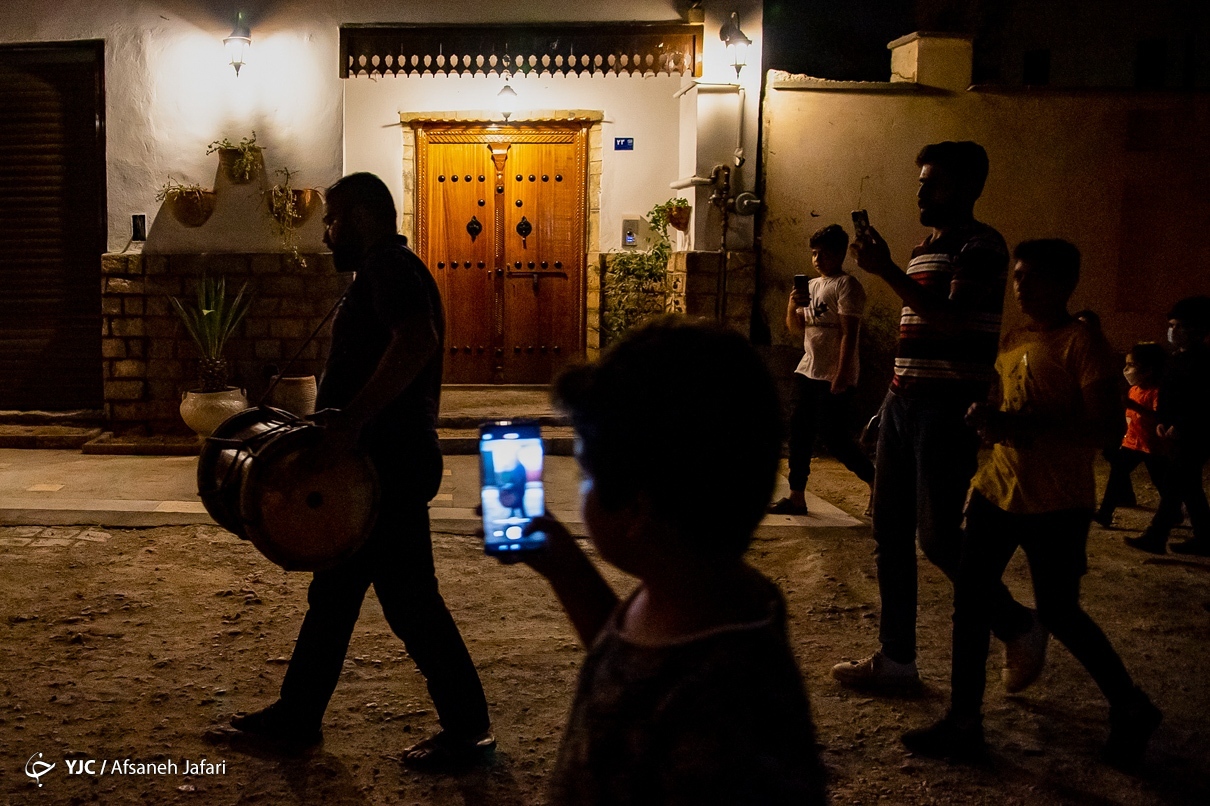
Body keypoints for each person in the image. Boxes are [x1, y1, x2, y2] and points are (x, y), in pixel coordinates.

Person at [226, 173, 494, 769]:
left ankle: (469, 732)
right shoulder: (386, 271)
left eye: (333, 220)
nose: (325, 235)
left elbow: (416, 340)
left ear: (365, 218)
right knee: (339, 595)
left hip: (386, 467)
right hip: (377, 467)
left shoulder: (387, 271)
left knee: (409, 604)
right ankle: (298, 717)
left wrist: (353, 419)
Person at [504, 317, 827, 804]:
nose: (581, 489)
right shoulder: (701, 588)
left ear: (636, 508)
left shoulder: (712, 712)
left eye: (587, 476)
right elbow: (632, 664)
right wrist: (566, 568)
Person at [902, 240, 1163, 768]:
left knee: (1061, 611)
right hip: (998, 490)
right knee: (971, 606)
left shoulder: (1083, 344)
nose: (1020, 286)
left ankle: (1131, 705)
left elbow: (1107, 428)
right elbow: (1007, 404)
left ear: (1064, 283)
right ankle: (964, 720)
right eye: (1017, 276)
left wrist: (1019, 426)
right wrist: (988, 415)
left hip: (1057, 503)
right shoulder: (1014, 338)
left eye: (1032, 277)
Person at [832, 141, 1042, 691]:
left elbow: (950, 322)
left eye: (934, 183)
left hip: (947, 409)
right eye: (921, 181)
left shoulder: (982, 245)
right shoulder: (926, 247)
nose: (922, 191)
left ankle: (1018, 624)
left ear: (969, 188)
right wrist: (888, 403)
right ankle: (897, 658)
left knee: (939, 537)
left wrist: (887, 272)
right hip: (906, 403)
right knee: (888, 532)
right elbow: (916, 335)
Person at [769, 224, 875, 516]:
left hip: (833, 373)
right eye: (814, 254)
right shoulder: (812, 286)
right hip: (807, 369)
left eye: (824, 254)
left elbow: (849, 333)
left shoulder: (847, 286)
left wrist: (841, 373)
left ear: (840, 253)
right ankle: (796, 496)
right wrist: (792, 305)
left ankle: (874, 479)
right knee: (799, 431)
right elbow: (796, 329)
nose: (817, 259)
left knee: (835, 437)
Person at [1132, 295, 1210, 555]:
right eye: (1172, 324)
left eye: (1180, 326)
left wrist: (1183, 425)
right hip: (1173, 431)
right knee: (1188, 485)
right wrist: (1162, 421)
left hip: (1194, 435)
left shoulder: (1204, 362)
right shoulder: (1175, 358)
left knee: (1176, 481)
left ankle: (1156, 534)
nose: (1173, 330)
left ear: (1198, 329)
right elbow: (1167, 395)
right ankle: (1205, 537)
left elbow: (1201, 401)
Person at [1095, 342, 1169, 529]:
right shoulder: (1134, 390)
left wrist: (1133, 406)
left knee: (1162, 482)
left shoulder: (1155, 393)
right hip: (1133, 443)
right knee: (1117, 475)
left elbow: (1159, 417)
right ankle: (1105, 513)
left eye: (1131, 365)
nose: (1126, 369)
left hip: (1153, 447)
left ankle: (1172, 512)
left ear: (1148, 370)